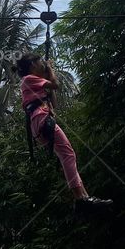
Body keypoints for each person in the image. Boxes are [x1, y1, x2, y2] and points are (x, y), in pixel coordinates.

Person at [15, 53, 112, 209]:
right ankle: (80, 199)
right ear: (32, 64)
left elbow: (54, 101)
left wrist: (46, 75)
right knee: (68, 154)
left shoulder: (35, 83)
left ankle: (84, 197)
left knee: (66, 154)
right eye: (40, 62)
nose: (43, 65)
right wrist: (50, 69)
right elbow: (56, 85)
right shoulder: (28, 79)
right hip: (41, 119)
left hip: (40, 122)